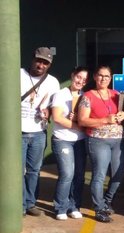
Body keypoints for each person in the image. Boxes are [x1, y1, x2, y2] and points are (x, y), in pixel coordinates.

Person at [78, 65, 124, 223]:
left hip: (118, 140)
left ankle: (107, 201)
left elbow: (123, 112)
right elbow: (82, 120)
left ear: (110, 78)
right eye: (100, 75)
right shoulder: (88, 96)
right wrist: (105, 120)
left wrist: (123, 114)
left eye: (107, 76)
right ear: (95, 77)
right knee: (99, 175)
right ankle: (98, 208)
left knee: (118, 174)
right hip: (98, 140)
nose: (104, 78)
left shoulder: (116, 94)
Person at [21, 47, 60, 216]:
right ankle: (20, 204)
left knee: (34, 170)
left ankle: (30, 203)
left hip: (38, 132)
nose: (41, 65)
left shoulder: (53, 82)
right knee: (17, 170)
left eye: (45, 62)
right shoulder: (18, 74)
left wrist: (48, 112)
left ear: (49, 65)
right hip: (18, 131)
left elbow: (54, 107)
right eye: (39, 60)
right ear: (33, 59)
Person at [51, 66, 89, 220]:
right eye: (79, 77)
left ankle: (74, 206)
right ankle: (60, 206)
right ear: (73, 75)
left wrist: (80, 121)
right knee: (67, 174)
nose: (80, 81)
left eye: (84, 80)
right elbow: (58, 118)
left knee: (79, 175)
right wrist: (77, 125)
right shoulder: (60, 94)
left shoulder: (85, 96)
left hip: (80, 140)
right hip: (62, 139)